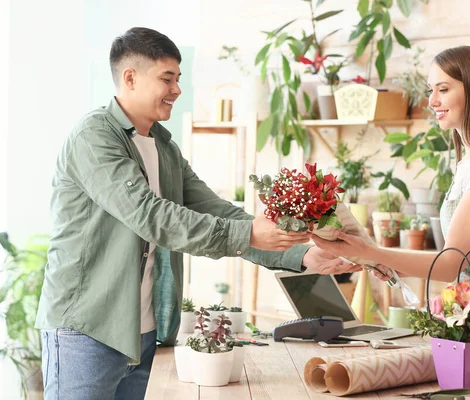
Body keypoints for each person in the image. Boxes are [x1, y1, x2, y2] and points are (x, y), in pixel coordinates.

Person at [35, 27, 360, 400]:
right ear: (130, 78)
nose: (176, 90)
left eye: (178, 79)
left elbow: (215, 209)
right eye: (166, 78)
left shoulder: (163, 147)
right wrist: (251, 235)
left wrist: (302, 255)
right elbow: (152, 216)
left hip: (142, 329)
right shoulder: (93, 137)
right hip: (86, 329)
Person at [312, 46, 470, 399]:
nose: (432, 100)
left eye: (443, 89)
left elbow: (451, 263)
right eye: (431, 89)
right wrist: (376, 257)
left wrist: (373, 250)